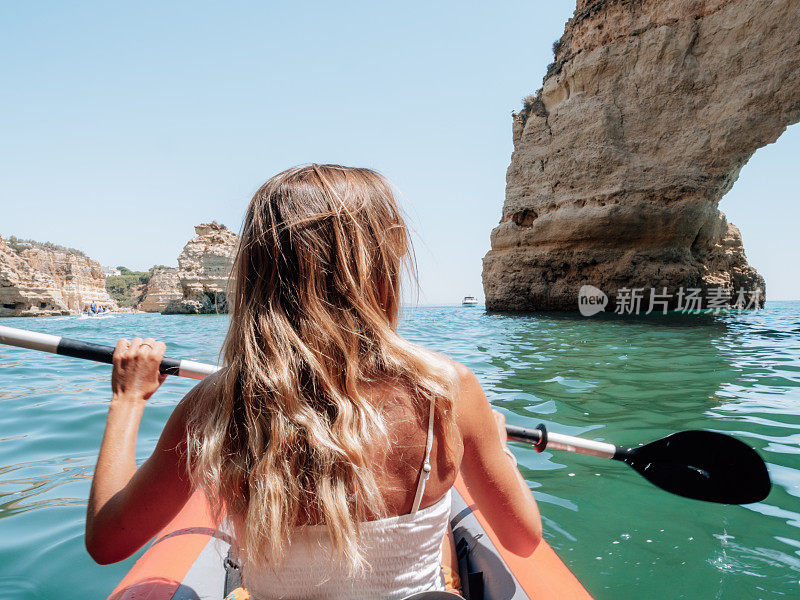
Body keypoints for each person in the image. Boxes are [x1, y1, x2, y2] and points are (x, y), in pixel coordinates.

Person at [85, 165, 542, 599]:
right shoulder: (448, 391)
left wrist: (128, 399)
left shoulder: (215, 404)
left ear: (259, 273)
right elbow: (522, 539)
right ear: (379, 267)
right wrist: (496, 445)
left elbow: (108, 541)